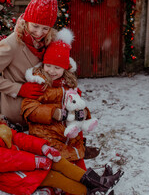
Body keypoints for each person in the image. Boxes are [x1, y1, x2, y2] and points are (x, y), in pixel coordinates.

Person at [0, 80, 122, 195]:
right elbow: (5, 160)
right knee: (56, 177)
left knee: (58, 160)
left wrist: (43, 148)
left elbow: (18, 138)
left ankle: (100, 182)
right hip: (12, 176)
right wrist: (36, 161)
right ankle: (94, 191)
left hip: (23, 164)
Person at [0, 0, 60, 129]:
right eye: (35, 26)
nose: (39, 33)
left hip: (45, 107)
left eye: (45, 28)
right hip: (19, 113)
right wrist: (19, 89)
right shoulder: (11, 44)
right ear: (26, 21)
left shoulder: (49, 43)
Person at [21, 28, 99, 171]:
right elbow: (29, 109)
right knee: (63, 153)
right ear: (43, 64)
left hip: (66, 130)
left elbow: (78, 103)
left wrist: (84, 114)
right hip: (45, 131)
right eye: (48, 66)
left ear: (65, 69)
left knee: (76, 146)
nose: (51, 71)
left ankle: (89, 179)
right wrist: (53, 113)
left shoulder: (68, 84)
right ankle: (82, 182)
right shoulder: (39, 83)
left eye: (57, 68)